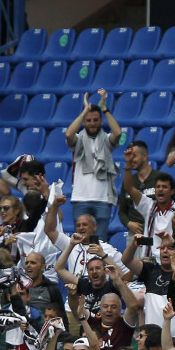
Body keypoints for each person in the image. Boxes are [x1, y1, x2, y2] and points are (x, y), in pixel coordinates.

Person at [64, 90, 122, 242]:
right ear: (84, 122)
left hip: (103, 198)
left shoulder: (107, 140)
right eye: (88, 120)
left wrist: (104, 108)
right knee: (80, 240)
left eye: (95, 120)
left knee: (100, 241)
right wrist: (85, 111)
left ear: (101, 121)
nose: (92, 123)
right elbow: (69, 134)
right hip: (80, 198)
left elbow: (118, 133)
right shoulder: (77, 140)